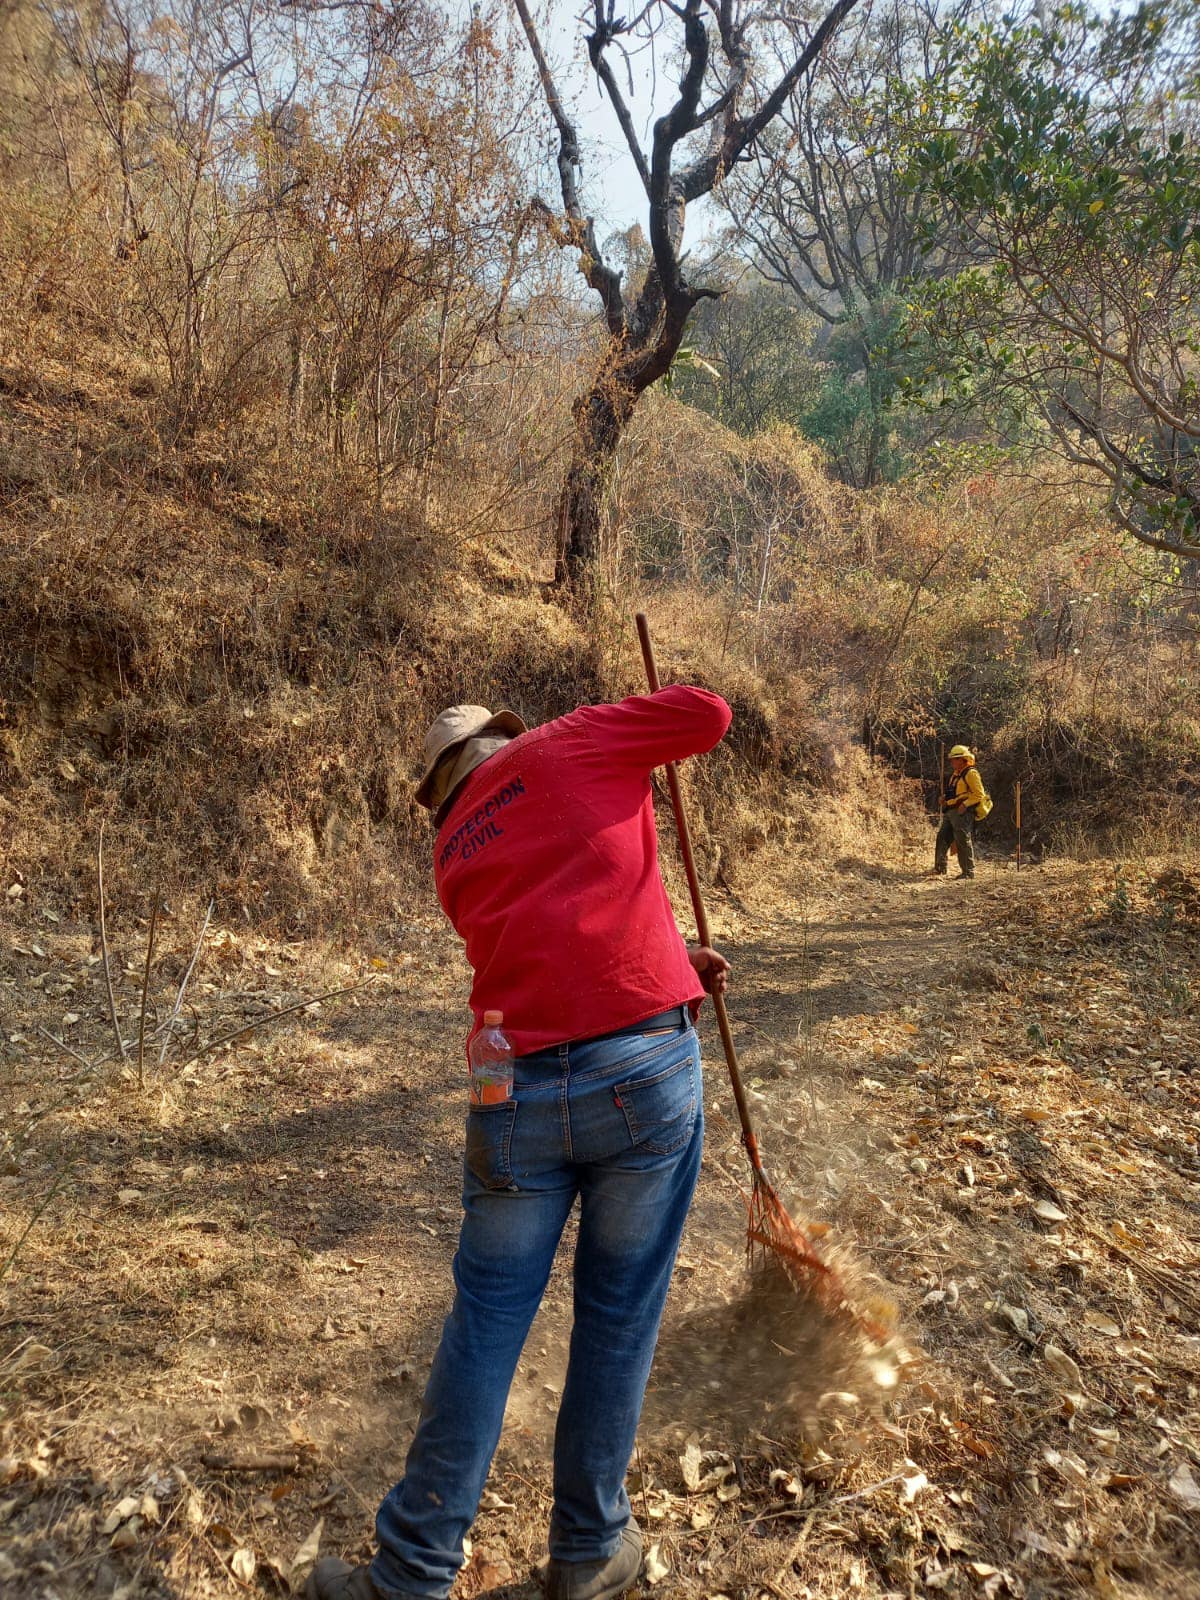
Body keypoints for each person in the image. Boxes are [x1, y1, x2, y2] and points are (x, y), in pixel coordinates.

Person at [309, 687, 733, 1600]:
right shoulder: (571, 741)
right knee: (617, 1318)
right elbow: (707, 713)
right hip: (640, 1079)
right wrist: (600, 725)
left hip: (513, 1093)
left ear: (442, 786)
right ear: (507, 735)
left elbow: (549, 946)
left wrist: (672, 961)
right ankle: (587, 1551)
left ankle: (411, 1570)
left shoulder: (450, 853)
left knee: (485, 1321)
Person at [934, 743, 986, 880]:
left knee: (962, 841)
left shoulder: (971, 773)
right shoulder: (956, 774)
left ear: (963, 759)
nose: (952, 761)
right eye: (951, 759)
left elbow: (979, 794)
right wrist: (944, 798)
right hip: (951, 812)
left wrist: (966, 804)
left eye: (955, 759)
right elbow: (955, 792)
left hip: (962, 812)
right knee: (942, 837)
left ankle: (968, 872)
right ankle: (939, 868)